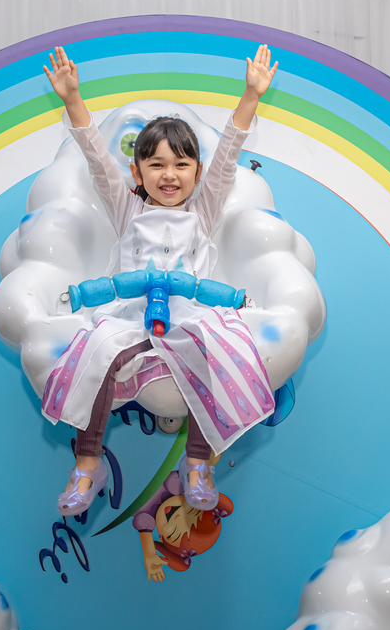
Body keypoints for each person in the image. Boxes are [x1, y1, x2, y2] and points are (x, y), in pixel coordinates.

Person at [42, 44, 278, 515]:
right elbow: (96, 158)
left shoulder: (202, 211)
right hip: (131, 313)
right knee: (97, 350)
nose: (169, 175)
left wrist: (251, 96)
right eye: (157, 165)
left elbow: (228, 154)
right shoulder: (127, 207)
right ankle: (87, 465)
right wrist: (72, 99)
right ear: (137, 171)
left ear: (196, 172)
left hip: (191, 313)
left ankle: (198, 462)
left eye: (181, 165)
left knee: (215, 347)